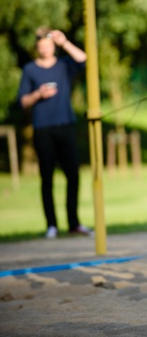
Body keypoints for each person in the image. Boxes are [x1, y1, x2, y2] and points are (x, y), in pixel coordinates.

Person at [17, 26, 93, 239]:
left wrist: (64, 42)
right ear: (37, 47)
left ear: (53, 46)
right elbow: (23, 101)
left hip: (65, 125)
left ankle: (74, 223)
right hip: (43, 128)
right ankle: (51, 225)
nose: (45, 48)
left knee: (73, 175)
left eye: (49, 44)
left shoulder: (63, 65)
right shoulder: (30, 70)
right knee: (47, 177)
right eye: (42, 45)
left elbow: (83, 60)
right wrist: (38, 94)